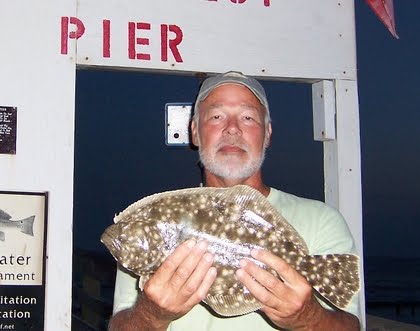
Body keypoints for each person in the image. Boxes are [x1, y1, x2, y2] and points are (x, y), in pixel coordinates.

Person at [108, 71, 361, 331]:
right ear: (194, 132)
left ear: (268, 134)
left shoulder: (322, 221)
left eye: (248, 117)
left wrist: (308, 318)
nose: (232, 128)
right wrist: (152, 314)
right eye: (216, 116)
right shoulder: (156, 222)